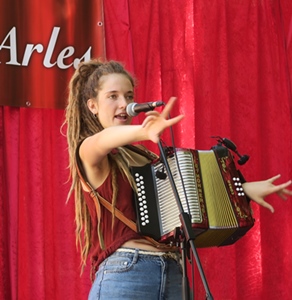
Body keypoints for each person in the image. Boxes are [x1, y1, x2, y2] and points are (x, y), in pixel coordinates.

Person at [63, 58, 292, 300]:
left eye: (129, 96)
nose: (125, 104)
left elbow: (190, 197)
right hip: (126, 273)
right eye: (113, 96)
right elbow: (102, 140)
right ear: (92, 106)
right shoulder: (88, 150)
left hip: (174, 272)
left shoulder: (146, 156)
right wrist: (143, 131)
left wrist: (242, 189)